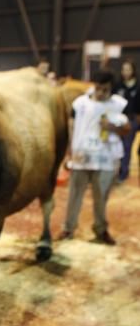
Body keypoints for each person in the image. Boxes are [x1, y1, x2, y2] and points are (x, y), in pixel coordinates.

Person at [59, 69, 130, 245]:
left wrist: (112, 127)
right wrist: (70, 151)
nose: (101, 93)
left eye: (105, 89)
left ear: (111, 89)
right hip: (82, 156)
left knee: (102, 197)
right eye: (98, 88)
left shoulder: (118, 105)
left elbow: (126, 129)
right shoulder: (80, 104)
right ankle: (68, 228)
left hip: (105, 158)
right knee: (75, 194)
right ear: (94, 86)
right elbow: (71, 126)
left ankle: (101, 229)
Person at [114, 58, 140, 182]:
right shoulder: (118, 86)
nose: (126, 72)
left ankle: (123, 173)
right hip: (118, 120)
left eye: (128, 69)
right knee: (117, 145)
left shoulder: (138, 86)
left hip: (133, 120)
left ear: (133, 71)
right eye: (124, 69)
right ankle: (116, 170)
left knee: (127, 146)